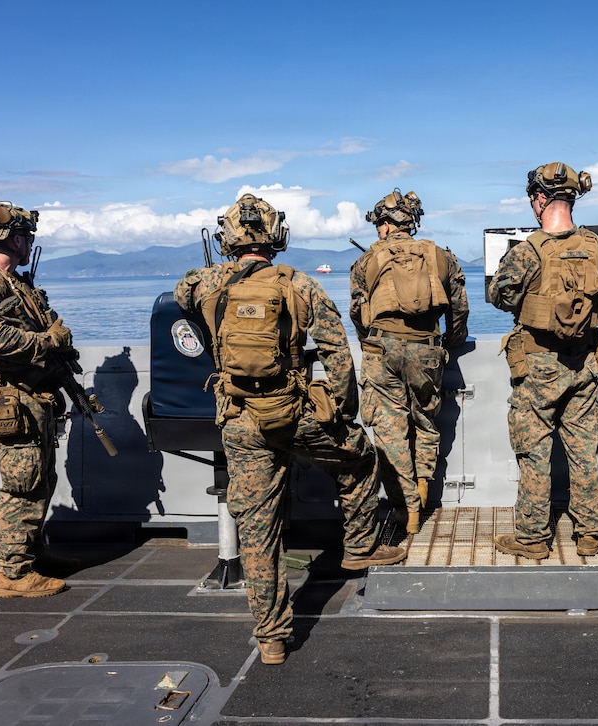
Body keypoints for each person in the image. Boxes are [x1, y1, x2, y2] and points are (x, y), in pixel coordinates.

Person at [174, 194, 405, 665]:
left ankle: (272, 637)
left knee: (259, 530)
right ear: (277, 236)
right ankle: (360, 546)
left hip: (239, 418)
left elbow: (181, 297)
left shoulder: (205, 285)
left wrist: (215, 274)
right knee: (360, 458)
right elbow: (338, 354)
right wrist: (340, 413)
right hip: (295, 412)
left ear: (229, 237)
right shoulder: (300, 285)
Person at [487, 162, 598, 560]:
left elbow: (500, 296)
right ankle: (591, 532)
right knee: (583, 447)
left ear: (539, 199)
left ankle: (533, 538)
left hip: (539, 366)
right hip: (584, 362)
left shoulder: (528, 251)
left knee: (534, 451)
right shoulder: (593, 246)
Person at [0, 200, 73, 598]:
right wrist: (46, 340)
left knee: (41, 479)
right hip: (12, 398)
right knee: (21, 484)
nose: (29, 243)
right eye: (25, 236)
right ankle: (12, 573)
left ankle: (31, 556)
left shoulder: (15, 283)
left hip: (34, 396)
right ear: (12, 238)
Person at [349, 190, 469, 534]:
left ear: (385, 225)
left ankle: (407, 512)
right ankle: (422, 489)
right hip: (427, 350)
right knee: (425, 423)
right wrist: (450, 341)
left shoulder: (367, 260)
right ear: (411, 223)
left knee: (390, 433)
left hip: (381, 351)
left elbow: (357, 311)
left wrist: (369, 342)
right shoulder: (441, 256)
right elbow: (459, 309)